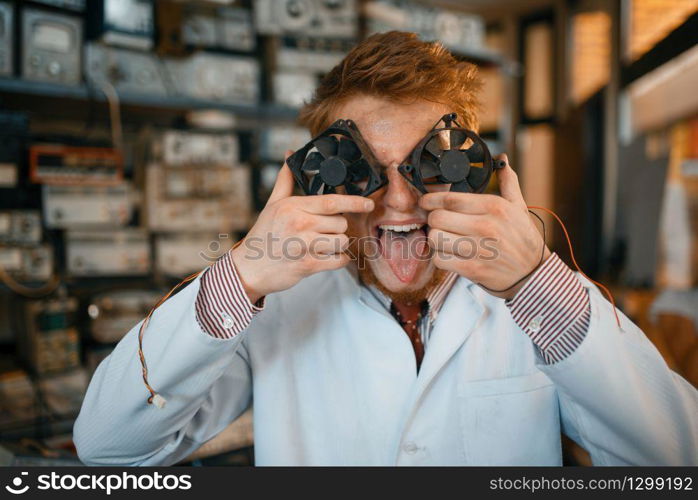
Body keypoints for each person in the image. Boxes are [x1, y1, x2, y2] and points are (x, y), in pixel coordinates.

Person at [73, 31, 698, 466]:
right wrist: (239, 276)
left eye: (427, 166)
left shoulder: (534, 311)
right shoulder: (277, 311)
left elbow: (676, 460)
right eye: (364, 171)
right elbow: (108, 446)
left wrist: (537, 283)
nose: (398, 203)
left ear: (473, 169)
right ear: (318, 179)